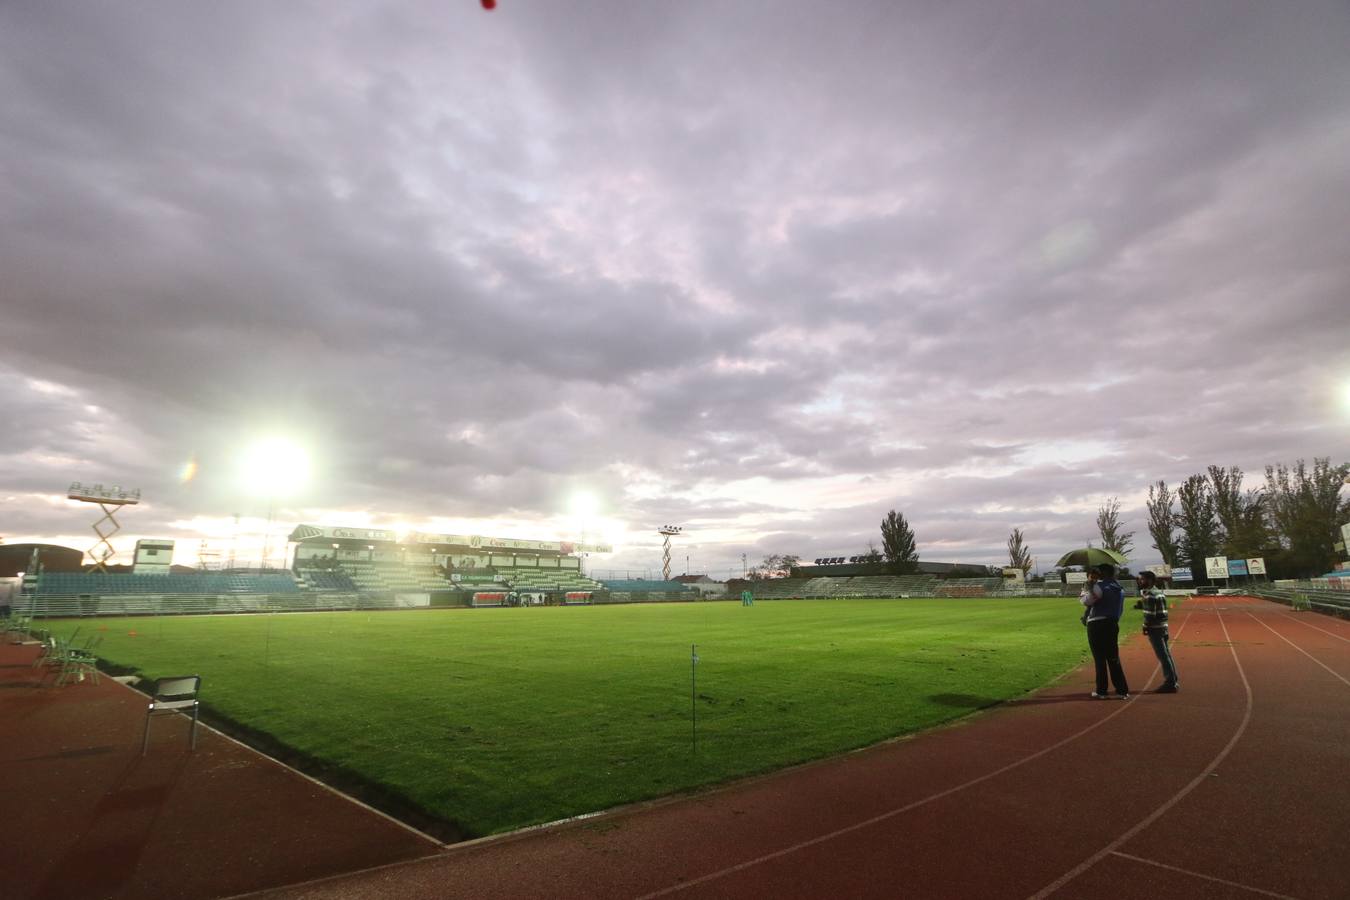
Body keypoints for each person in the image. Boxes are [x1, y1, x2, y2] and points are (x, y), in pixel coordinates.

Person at [1080, 563, 1130, 699]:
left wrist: (1087, 587)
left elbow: (1086, 601)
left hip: (1097, 624)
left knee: (1100, 659)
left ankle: (1101, 691)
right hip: (1112, 624)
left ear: (1103, 573)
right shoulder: (1119, 588)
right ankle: (1122, 690)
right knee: (1113, 657)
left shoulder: (1099, 586)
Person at [1134, 571, 1178, 692]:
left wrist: (1145, 626)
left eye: (1142, 579)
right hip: (1163, 627)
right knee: (1167, 655)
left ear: (1149, 580)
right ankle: (1173, 680)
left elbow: (1150, 615)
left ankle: (1170, 683)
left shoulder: (1150, 594)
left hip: (1155, 629)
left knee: (1163, 656)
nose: (1140, 581)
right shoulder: (1159, 592)